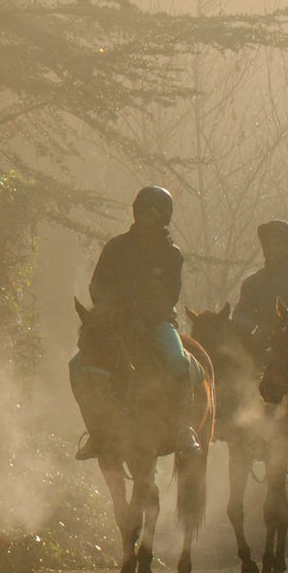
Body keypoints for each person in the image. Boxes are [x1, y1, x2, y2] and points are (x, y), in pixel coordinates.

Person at [71, 185, 202, 460]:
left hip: (156, 324)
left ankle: (182, 428)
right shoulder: (116, 247)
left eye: (152, 214)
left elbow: (169, 295)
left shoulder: (171, 255)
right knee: (77, 365)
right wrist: (114, 314)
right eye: (142, 212)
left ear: (163, 218)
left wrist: (145, 319)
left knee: (178, 361)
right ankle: (96, 430)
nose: (145, 218)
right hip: (116, 323)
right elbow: (97, 286)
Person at [231, 219, 288, 350]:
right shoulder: (253, 282)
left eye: (276, 244)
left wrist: (273, 333)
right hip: (257, 347)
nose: (270, 249)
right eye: (267, 244)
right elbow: (242, 314)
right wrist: (249, 333)